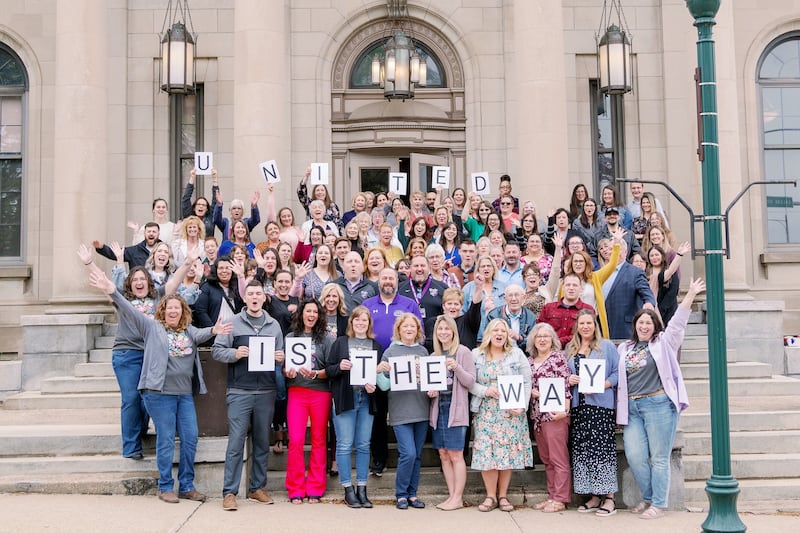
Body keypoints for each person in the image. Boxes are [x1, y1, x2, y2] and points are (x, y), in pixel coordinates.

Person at [87, 270, 231, 504]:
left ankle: (186, 485)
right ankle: (165, 486)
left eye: (177, 308)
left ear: (183, 311)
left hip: (184, 394)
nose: (173, 311)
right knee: (165, 439)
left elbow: (202, 334)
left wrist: (214, 330)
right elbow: (128, 309)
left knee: (190, 437)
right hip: (159, 394)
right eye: (169, 308)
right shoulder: (151, 327)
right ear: (162, 311)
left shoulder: (188, 330)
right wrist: (111, 290)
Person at [616, 278, 704, 520]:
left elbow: (677, 324)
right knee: (635, 456)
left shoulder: (664, 343)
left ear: (655, 326)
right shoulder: (624, 348)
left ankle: (658, 504)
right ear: (635, 325)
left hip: (658, 405)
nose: (644, 326)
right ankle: (648, 497)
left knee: (659, 457)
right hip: (632, 408)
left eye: (649, 323)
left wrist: (690, 295)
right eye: (641, 322)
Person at [212, 281, 285, 510]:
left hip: (266, 391)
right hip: (239, 391)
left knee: (262, 442)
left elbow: (281, 356)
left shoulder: (274, 325)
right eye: (250, 293)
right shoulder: (232, 323)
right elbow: (216, 351)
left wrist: (280, 358)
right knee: (236, 442)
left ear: (264, 298)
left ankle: (257, 488)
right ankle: (229, 492)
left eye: (258, 294)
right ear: (244, 298)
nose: (254, 297)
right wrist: (235, 353)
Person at [362, 268, 422, 477]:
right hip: (378, 364)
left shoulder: (409, 304)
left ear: (398, 281)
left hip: (404, 363)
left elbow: (419, 333)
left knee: (403, 411)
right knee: (378, 415)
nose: (388, 281)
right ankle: (379, 459)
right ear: (378, 281)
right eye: (384, 278)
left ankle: (407, 457)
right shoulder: (368, 304)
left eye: (391, 278)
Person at [469, 318, 533, 512]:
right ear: (488, 333)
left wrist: (522, 405)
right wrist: (484, 391)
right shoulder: (476, 354)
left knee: (507, 453)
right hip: (486, 410)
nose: (499, 334)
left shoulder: (516, 354)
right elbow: (469, 381)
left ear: (507, 335)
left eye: (503, 331)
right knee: (487, 453)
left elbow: (527, 381)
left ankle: (503, 496)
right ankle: (490, 496)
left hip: (510, 413)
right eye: (495, 330)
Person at [326, 307, 383, 508]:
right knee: (344, 444)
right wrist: (339, 367)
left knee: (363, 444)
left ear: (369, 324)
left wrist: (374, 384)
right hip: (345, 398)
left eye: (364, 320)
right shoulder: (341, 342)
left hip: (366, 399)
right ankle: (347, 489)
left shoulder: (376, 346)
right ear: (351, 322)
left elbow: (379, 376)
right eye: (357, 320)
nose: (360, 323)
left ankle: (362, 488)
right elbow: (329, 369)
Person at [566, 309, 620, 516]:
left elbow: (617, 373)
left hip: (600, 407)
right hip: (579, 408)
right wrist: (569, 379)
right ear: (577, 326)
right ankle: (594, 496)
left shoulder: (606, 346)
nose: (585, 326)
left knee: (602, 451)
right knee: (583, 451)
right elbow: (565, 373)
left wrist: (602, 385)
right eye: (582, 323)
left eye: (589, 323)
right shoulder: (571, 348)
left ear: (595, 325)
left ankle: (609, 498)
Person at [376, 313, 431, 510]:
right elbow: (383, 386)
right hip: (400, 410)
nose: (409, 329)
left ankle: (412, 494)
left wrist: (432, 388)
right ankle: (401, 494)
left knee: (417, 455)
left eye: (412, 326)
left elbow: (429, 379)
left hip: (421, 408)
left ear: (418, 330)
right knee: (408, 453)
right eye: (405, 326)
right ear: (398, 329)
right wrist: (378, 371)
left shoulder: (423, 351)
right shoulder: (390, 352)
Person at [284, 299, 335, 504]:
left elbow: (331, 370)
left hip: (320, 393)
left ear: (319, 315)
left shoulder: (327, 339)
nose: (311, 315)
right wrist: (286, 372)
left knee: (318, 440)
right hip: (296, 392)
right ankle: (295, 487)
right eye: (308, 311)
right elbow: (284, 367)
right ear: (301, 314)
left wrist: (315, 374)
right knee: (296, 440)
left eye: (315, 312)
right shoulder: (290, 337)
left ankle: (315, 486)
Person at [428, 315, 476, 511]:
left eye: (447, 329)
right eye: (440, 329)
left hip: (456, 407)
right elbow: (430, 385)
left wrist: (457, 368)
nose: (443, 332)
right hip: (438, 407)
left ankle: (458, 497)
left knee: (456, 453)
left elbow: (470, 381)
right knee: (443, 454)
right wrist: (430, 391)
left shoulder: (463, 352)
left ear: (453, 331)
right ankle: (451, 495)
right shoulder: (433, 356)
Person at [527, 323, 572, 513]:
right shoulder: (529, 361)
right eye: (539, 336)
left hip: (555, 415)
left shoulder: (558, 358)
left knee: (558, 458)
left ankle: (560, 498)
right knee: (547, 459)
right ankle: (552, 496)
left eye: (546, 336)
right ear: (533, 340)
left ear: (552, 339)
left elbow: (566, 386)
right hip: (537, 416)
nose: (542, 339)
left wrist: (565, 410)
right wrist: (530, 391)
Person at [603, 240, 657, 340]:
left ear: (625, 252)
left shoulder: (635, 272)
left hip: (624, 329)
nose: (614, 251)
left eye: (618, 248)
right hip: (602, 327)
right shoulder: (602, 272)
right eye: (611, 249)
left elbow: (646, 291)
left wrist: (649, 302)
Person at [538, 273, 595, 347]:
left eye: (575, 285)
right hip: (550, 350)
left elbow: (590, 334)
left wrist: (559, 342)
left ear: (581, 289)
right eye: (568, 285)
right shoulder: (548, 308)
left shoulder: (588, 310)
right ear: (562, 287)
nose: (571, 288)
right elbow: (539, 330)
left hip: (577, 349)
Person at [480, 283, 536, 350]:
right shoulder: (494, 315)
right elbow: (487, 338)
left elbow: (533, 341)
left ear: (524, 298)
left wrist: (519, 337)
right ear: (505, 298)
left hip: (523, 353)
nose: (513, 299)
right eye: (510, 295)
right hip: (500, 351)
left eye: (517, 295)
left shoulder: (530, 316)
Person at [647, 241, 691, 326]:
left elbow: (671, 272)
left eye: (657, 255)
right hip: (650, 309)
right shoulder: (645, 272)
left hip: (668, 310)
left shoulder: (668, 272)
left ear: (662, 256)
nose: (654, 257)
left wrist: (679, 255)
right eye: (651, 256)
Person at [398, 255, 448, 323]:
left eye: (422, 266)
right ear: (410, 268)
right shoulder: (400, 288)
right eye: (416, 266)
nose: (419, 269)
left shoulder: (442, 288)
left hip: (433, 329)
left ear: (429, 268)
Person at [95, 222, 161, 268]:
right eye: (149, 231)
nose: (151, 234)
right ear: (144, 234)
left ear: (158, 234)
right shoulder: (135, 250)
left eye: (154, 232)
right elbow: (116, 253)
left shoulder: (164, 250)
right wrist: (102, 248)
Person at [298, 166, 343, 232]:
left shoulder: (332, 206)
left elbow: (339, 223)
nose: (320, 192)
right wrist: (306, 176)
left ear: (326, 192)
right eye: (318, 190)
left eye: (322, 190)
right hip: (313, 235)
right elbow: (301, 192)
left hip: (330, 236)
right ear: (314, 193)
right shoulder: (309, 204)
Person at [181, 168, 218, 237]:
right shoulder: (189, 217)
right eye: (198, 204)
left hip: (207, 243)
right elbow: (185, 199)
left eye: (204, 205)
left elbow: (216, 200)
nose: (201, 206)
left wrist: (214, 179)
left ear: (207, 209)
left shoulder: (210, 217)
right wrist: (192, 178)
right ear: (194, 208)